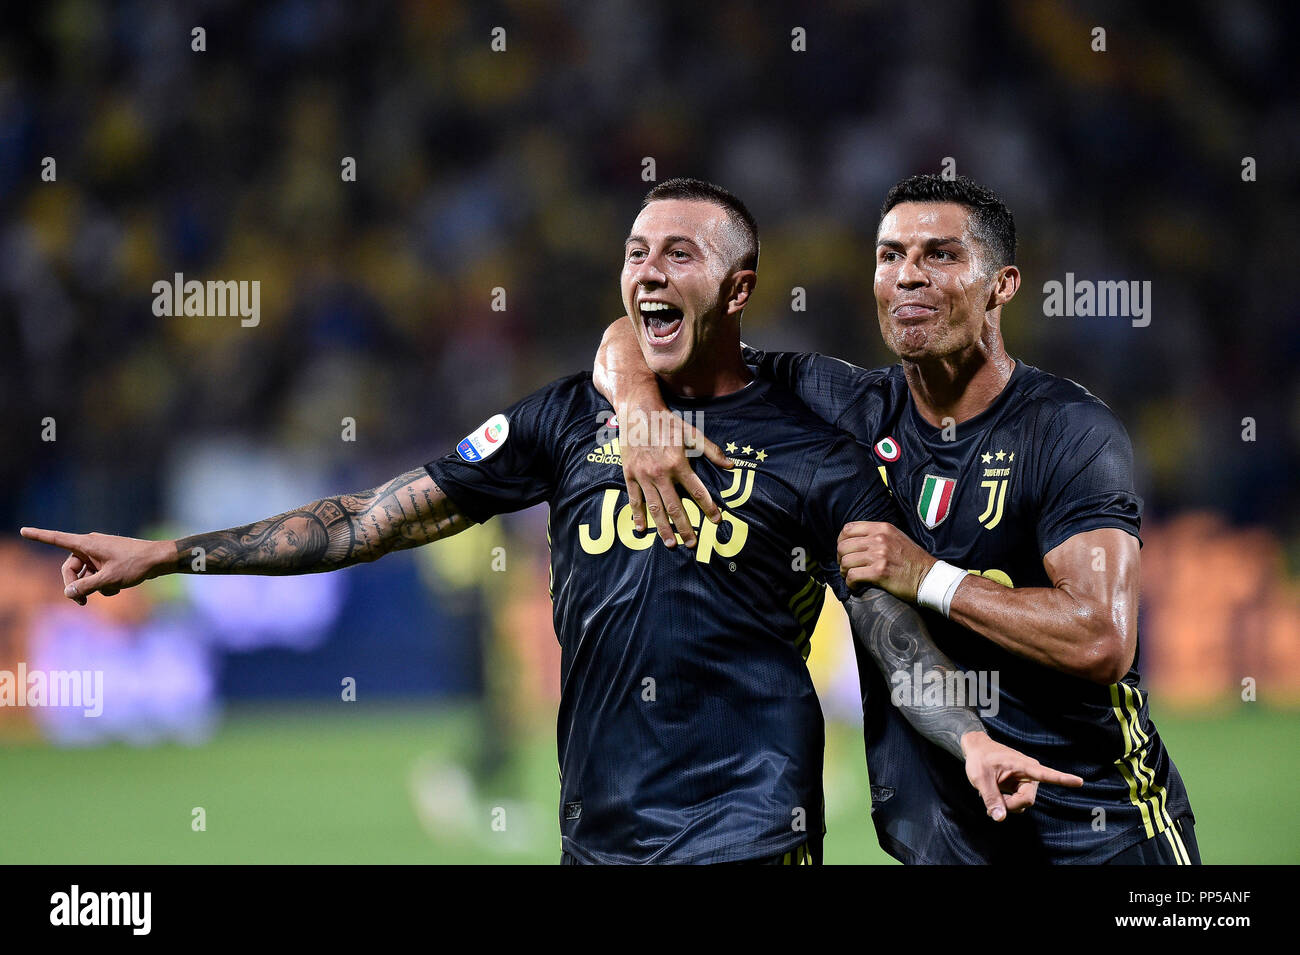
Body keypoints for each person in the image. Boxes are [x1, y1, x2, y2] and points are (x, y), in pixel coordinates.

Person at [21, 177, 1078, 865]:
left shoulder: (813, 443)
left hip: (754, 837)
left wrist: (972, 735)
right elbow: (363, 521)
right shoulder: (565, 418)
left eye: (680, 252)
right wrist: (171, 554)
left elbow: (891, 638)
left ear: (741, 285)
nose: (649, 269)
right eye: (636, 251)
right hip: (601, 842)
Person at [595, 174, 1195, 865]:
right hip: (942, 842)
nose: (907, 275)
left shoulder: (1070, 432)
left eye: (939, 255)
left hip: (1095, 825)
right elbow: (648, 328)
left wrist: (927, 575)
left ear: (1001, 285)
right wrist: (640, 409)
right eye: (889, 256)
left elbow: (1101, 639)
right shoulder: (841, 408)